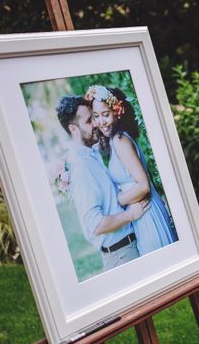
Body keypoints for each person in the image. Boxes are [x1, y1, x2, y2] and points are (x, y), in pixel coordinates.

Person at [56, 95, 150, 271]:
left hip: (126, 247)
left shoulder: (88, 152)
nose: (96, 123)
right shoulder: (82, 166)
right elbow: (96, 225)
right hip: (122, 254)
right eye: (89, 120)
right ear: (73, 129)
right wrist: (131, 215)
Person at [86, 85, 178, 256]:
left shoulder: (119, 140)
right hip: (142, 213)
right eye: (96, 116)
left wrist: (118, 200)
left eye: (106, 114)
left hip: (147, 213)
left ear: (117, 111)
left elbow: (143, 186)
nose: (101, 122)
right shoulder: (116, 139)